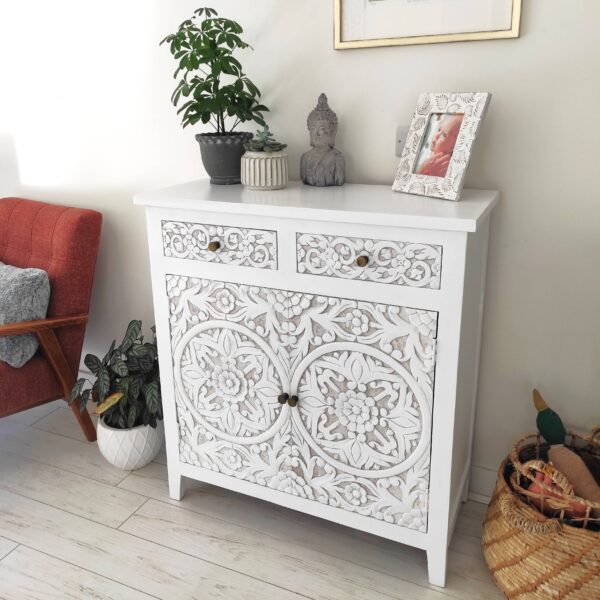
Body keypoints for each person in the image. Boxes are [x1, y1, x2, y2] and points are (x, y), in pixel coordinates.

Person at [300, 94, 345, 187]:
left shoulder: (337, 158)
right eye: (313, 129)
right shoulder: (305, 158)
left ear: (332, 132)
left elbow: (340, 180)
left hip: (332, 198)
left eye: (322, 129)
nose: (316, 134)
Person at [415, 113, 463, 178]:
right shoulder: (429, 153)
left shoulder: (444, 167)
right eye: (439, 130)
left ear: (453, 147)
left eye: (444, 135)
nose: (436, 135)